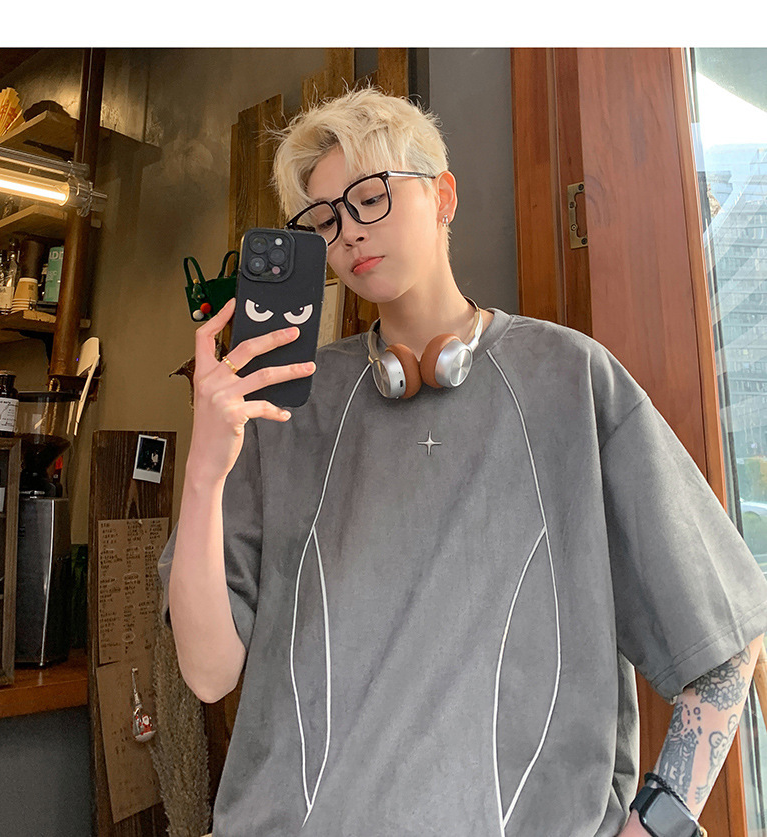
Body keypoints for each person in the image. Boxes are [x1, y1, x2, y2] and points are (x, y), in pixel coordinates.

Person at [159, 87, 767, 837]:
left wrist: (661, 822)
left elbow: (725, 644)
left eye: (370, 197)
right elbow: (208, 672)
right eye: (325, 218)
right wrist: (204, 471)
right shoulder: (283, 409)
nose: (349, 232)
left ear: (443, 195)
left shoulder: (570, 379)